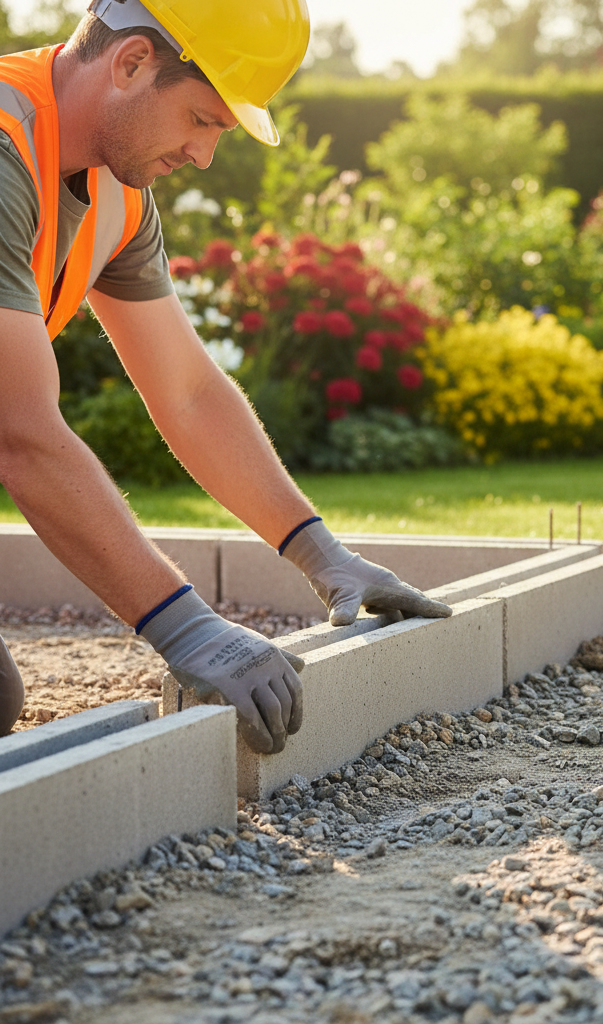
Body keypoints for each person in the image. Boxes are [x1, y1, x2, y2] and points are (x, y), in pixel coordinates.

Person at [0, 0, 451, 753]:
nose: (204, 154)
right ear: (132, 62)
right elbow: (21, 432)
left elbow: (189, 392)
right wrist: (186, 626)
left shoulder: (115, 190)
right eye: (203, 119)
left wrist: (321, 555)